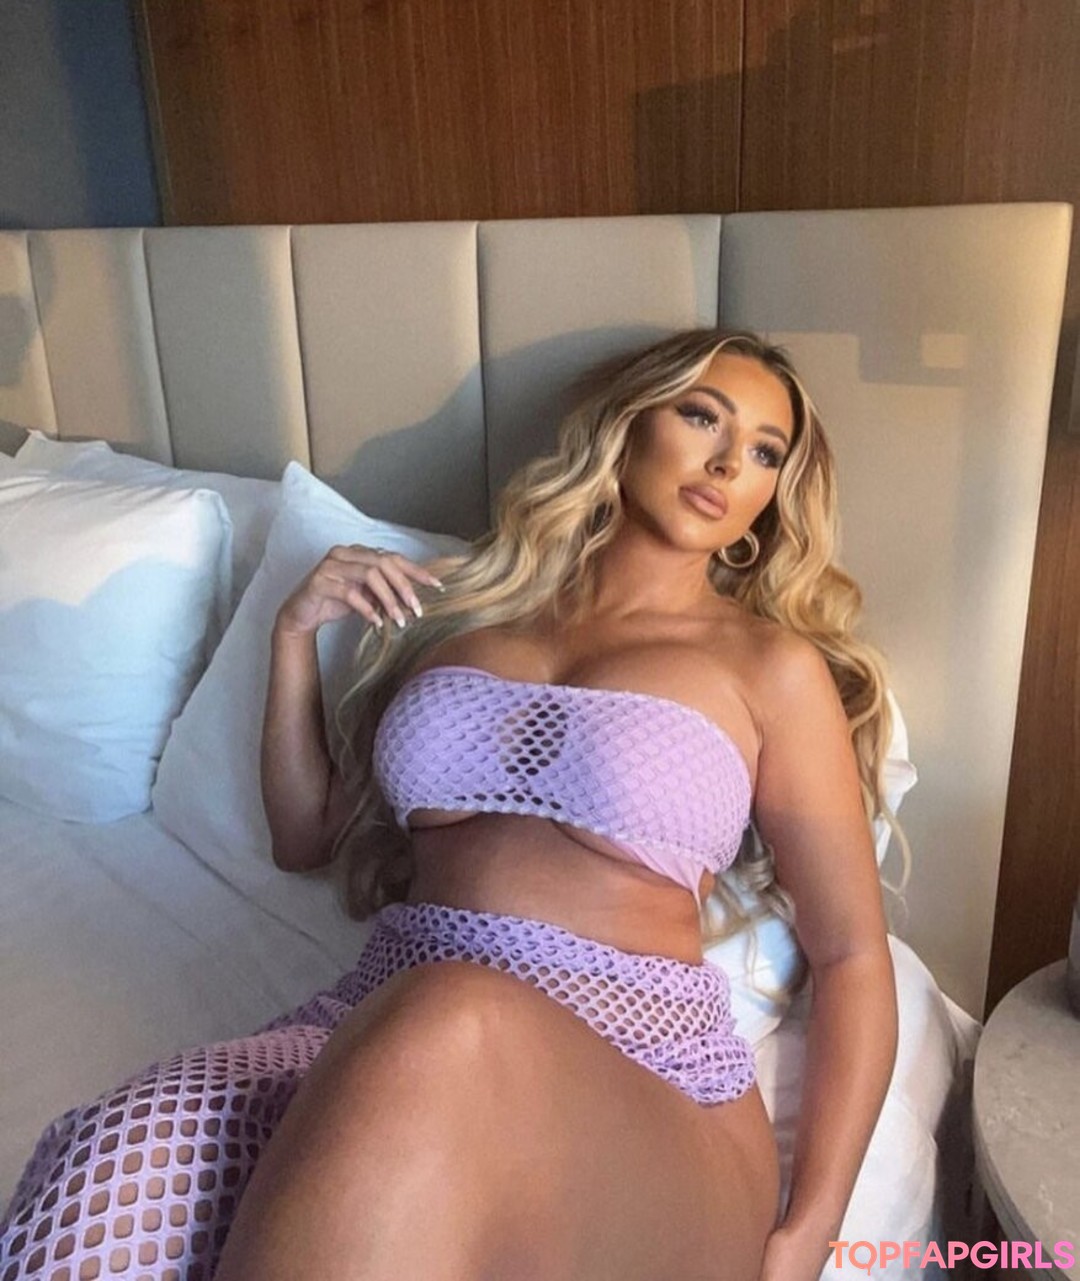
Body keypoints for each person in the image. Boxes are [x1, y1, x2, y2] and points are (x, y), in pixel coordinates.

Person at [0, 328, 899, 1281]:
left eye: (765, 451)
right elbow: (305, 838)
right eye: (703, 417)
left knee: (453, 1016)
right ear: (629, 425)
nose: (728, 463)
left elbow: (852, 954)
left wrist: (813, 1227)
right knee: (109, 1169)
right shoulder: (464, 627)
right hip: (376, 1016)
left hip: (643, 1067)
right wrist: (292, 636)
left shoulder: (769, 667)